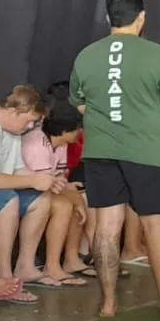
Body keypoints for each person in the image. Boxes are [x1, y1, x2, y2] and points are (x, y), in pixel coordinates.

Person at [70, 0, 160, 319]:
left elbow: (79, 102)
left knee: (106, 227)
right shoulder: (159, 55)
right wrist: (143, 118)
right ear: (142, 17)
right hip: (147, 151)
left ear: (108, 17)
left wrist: (108, 119)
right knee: (157, 226)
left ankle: (108, 304)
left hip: (101, 151)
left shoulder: (86, 55)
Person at [0, 86, 63, 290]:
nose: (30, 126)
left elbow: (18, 170)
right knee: (8, 199)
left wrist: (47, 179)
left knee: (41, 198)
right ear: (13, 111)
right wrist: (33, 180)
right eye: (28, 120)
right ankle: (4, 277)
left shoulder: (14, 131)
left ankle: (25, 266)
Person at [31, 112, 96, 285]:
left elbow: (59, 178)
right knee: (67, 204)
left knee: (77, 198)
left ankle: (71, 259)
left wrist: (70, 189)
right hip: (30, 188)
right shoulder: (38, 143)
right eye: (76, 129)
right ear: (64, 130)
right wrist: (74, 198)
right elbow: (45, 183)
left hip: (48, 186)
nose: (80, 133)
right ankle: (52, 266)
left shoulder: (61, 145)